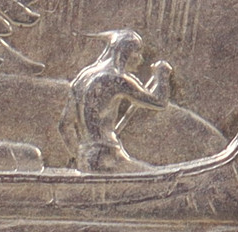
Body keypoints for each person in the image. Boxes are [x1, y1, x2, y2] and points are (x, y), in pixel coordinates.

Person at [63, 29, 172, 171]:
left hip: (85, 156)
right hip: (108, 156)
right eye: (137, 52)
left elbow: (64, 125)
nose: (141, 59)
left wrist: (81, 157)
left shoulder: (83, 77)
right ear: (125, 52)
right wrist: (162, 75)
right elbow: (159, 102)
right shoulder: (116, 79)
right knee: (159, 177)